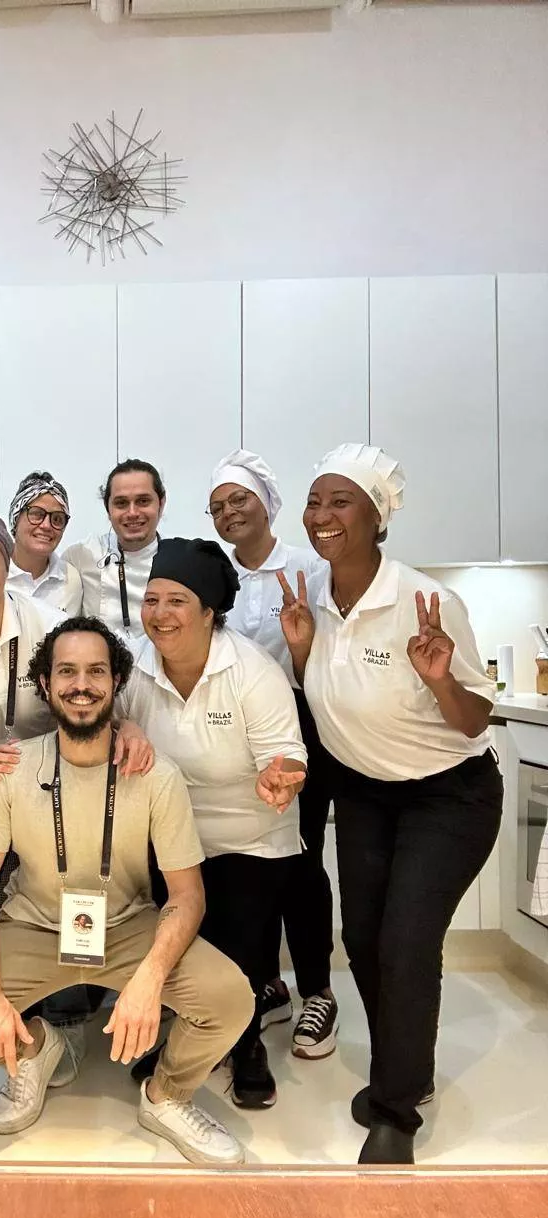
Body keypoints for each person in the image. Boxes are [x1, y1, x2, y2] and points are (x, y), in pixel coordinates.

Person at [0, 616, 256, 1165]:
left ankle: (167, 1096)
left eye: (96, 671)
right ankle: (37, 1050)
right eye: (66, 672)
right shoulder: (13, 769)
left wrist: (150, 979)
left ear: (117, 682)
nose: (82, 685)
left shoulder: (156, 775)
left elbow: (187, 895)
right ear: (45, 684)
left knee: (231, 1000)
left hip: (128, 927)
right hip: (32, 926)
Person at [277, 443, 503, 1164]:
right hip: (365, 792)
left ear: (378, 518)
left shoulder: (423, 600)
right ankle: (407, 1071)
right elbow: (333, 693)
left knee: (406, 943)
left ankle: (396, 1110)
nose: (322, 514)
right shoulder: (313, 596)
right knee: (365, 940)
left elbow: (474, 721)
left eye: (341, 501)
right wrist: (302, 651)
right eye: (315, 501)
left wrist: (439, 678)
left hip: (449, 795)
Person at [0, 509, 151, 1086]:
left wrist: (132, 727)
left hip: (64, 774)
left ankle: (64, 1023)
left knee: (63, 885)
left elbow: (101, 690)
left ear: (6, 563)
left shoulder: (48, 624)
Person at [116, 537, 308, 1110]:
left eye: (177, 601)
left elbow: (287, 753)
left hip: (250, 833)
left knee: (241, 948)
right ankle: (183, 1038)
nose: (160, 614)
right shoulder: (133, 666)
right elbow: (106, 719)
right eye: (152, 600)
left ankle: (246, 1046)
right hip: (168, 834)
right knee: (173, 943)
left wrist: (282, 775)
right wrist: (124, 728)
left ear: (208, 613)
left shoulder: (251, 670)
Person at [207, 450, 338, 1060]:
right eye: (217, 506)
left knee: (300, 860)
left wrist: (302, 649)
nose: (229, 512)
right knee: (250, 863)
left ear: (267, 503)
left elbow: (333, 667)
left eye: (240, 499)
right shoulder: (217, 578)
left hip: (303, 726)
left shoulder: (312, 568)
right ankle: (266, 983)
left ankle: (318, 990)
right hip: (233, 735)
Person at [64, 459, 166, 641]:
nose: (132, 513)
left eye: (143, 501)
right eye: (121, 503)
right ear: (108, 509)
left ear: (161, 503)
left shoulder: (182, 561)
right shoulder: (80, 557)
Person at [6, 471, 84, 614]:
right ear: (15, 518)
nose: (46, 526)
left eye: (57, 519)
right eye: (37, 514)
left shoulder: (71, 579)